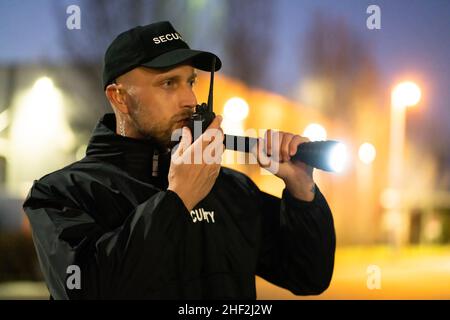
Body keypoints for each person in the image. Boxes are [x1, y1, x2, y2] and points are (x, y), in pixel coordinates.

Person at [23, 21, 335, 300]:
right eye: (168, 83)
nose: (189, 99)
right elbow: (85, 289)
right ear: (119, 97)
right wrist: (178, 200)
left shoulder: (230, 188)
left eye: (191, 82)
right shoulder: (62, 193)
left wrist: (301, 192)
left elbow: (308, 276)